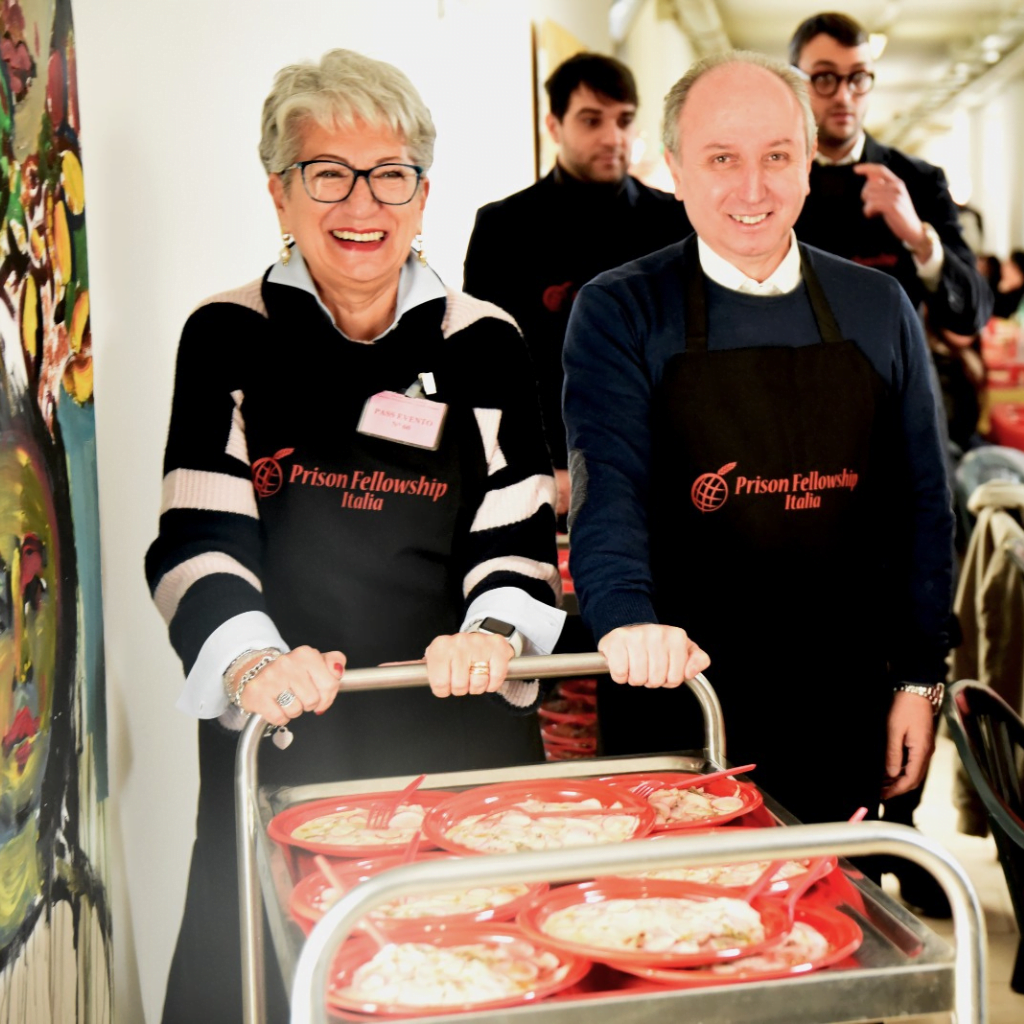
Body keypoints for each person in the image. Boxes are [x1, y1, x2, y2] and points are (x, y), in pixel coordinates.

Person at [146, 49, 564, 1024]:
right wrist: (253, 665)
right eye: (325, 173)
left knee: (472, 982)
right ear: (279, 195)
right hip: (292, 734)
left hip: (457, 732)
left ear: (422, 196)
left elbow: (516, 530)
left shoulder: (484, 341)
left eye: (388, 174)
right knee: (276, 984)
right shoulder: (226, 334)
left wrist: (492, 636)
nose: (359, 202)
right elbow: (196, 537)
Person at [562, 50, 954, 834]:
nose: (753, 188)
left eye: (777, 156)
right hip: (680, 700)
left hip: (844, 701)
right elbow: (609, 493)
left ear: (809, 163)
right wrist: (627, 621)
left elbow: (924, 507)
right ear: (673, 168)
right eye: (720, 159)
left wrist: (919, 676)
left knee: (835, 925)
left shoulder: (877, 307)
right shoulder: (619, 310)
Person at [463, 53, 692, 520]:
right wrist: (539, 465)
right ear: (554, 125)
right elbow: (485, 367)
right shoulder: (503, 229)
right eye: (591, 120)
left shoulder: (674, 223)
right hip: (544, 476)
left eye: (624, 120)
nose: (613, 138)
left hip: (663, 471)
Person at [790, 12, 992, 337]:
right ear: (796, 81)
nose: (844, 96)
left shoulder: (919, 181)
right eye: (825, 77)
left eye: (858, 77)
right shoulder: (771, 180)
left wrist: (918, 238)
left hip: (897, 380)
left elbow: (973, 312)